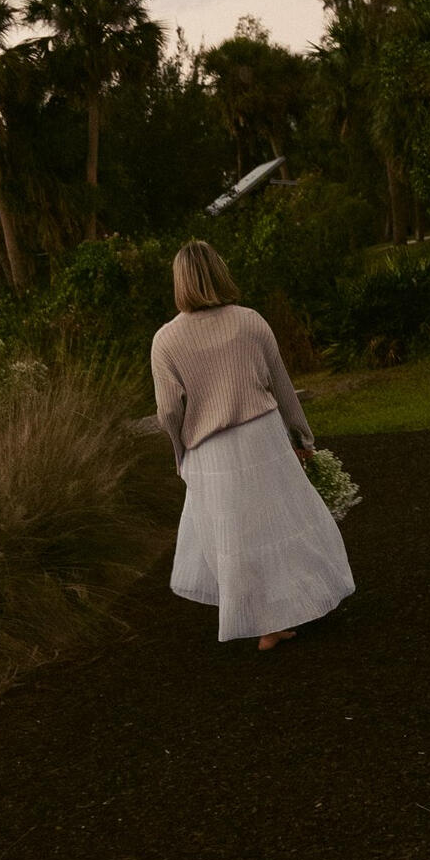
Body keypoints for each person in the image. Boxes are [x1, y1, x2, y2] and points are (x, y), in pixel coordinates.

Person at [150, 240, 354, 651]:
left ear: (179, 281)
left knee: (233, 537)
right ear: (219, 271)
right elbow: (282, 385)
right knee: (280, 523)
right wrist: (301, 437)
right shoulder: (250, 321)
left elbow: (169, 410)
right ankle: (280, 615)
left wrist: (180, 451)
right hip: (263, 438)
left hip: (210, 451)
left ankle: (265, 624)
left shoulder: (166, 340)